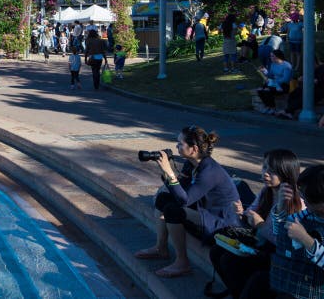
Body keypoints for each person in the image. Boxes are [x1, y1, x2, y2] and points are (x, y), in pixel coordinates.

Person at [135, 126, 241, 278]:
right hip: (203, 211)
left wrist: (169, 172)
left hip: (221, 223)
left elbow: (184, 200)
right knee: (163, 199)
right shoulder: (191, 164)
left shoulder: (210, 171)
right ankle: (160, 248)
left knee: (173, 210)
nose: (177, 146)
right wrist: (167, 178)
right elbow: (180, 190)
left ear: (194, 149)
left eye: (180, 143)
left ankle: (182, 263)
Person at [211, 149, 304, 299]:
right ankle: (239, 294)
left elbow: (287, 243)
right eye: (264, 167)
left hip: (279, 257)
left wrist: (260, 225)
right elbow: (248, 223)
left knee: (232, 263)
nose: (265, 173)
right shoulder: (266, 191)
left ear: (286, 173)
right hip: (261, 246)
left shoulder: (295, 203)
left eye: (272, 171)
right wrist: (241, 215)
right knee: (216, 251)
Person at [242, 164, 324, 299]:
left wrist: (306, 240)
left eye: (307, 197)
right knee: (256, 282)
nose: (303, 199)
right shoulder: (309, 214)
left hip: (310, 290)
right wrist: (281, 208)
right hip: (289, 279)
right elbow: (280, 236)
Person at [256, 50, 293, 115]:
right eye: (270, 56)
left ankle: (273, 108)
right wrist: (264, 71)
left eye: (272, 56)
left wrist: (274, 81)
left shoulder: (286, 66)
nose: (271, 57)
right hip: (273, 84)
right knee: (260, 90)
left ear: (278, 57)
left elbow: (286, 80)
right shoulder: (273, 64)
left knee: (267, 90)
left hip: (283, 85)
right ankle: (269, 106)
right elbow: (270, 75)